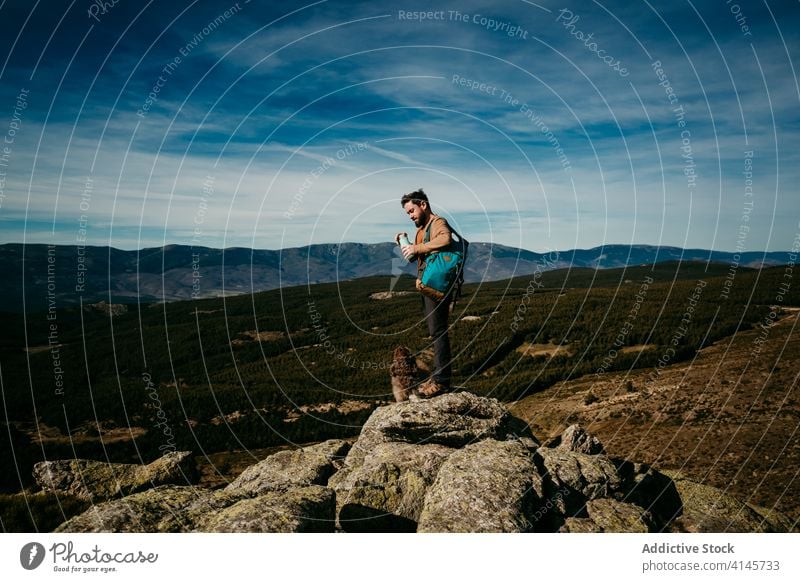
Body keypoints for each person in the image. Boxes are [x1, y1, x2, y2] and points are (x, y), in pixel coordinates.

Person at [396, 189, 453, 397]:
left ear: (423, 205)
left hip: (437, 286)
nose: (411, 215)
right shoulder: (421, 230)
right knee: (435, 331)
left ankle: (441, 381)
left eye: (412, 210)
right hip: (426, 285)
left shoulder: (438, 222)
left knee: (439, 332)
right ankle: (439, 378)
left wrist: (417, 248)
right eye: (408, 213)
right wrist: (406, 245)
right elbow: (416, 257)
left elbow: (446, 239)